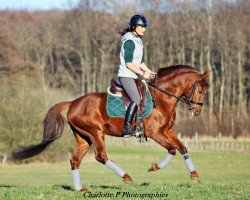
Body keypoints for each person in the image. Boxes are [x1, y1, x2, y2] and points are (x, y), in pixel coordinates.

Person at [117, 14, 156, 137]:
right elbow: (129, 64)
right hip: (126, 75)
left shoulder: (138, 41)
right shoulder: (129, 41)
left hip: (133, 75)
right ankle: (127, 128)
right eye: (142, 27)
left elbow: (140, 62)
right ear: (134, 27)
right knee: (136, 99)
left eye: (145, 27)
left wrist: (149, 71)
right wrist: (143, 74)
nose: (144, 29)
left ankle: (139, 124)